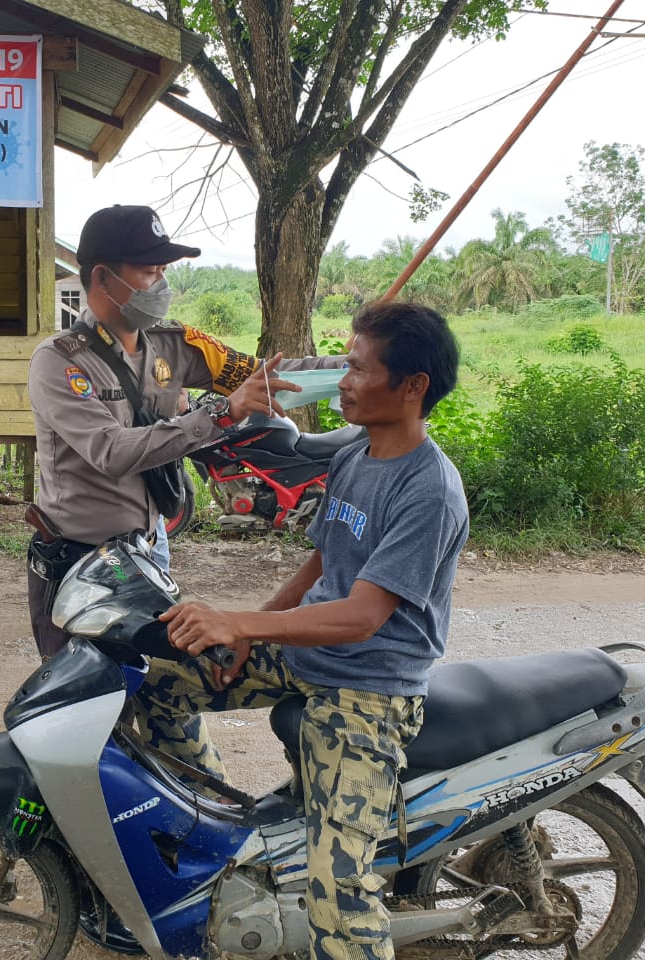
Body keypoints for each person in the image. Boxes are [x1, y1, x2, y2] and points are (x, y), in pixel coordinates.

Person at [141, 300, 468, 960]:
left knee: (340, 898)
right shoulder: (356, 452)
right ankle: (214, 836)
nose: (343, 381)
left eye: (356, 369)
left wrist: (239, 620)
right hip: (305, 656)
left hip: (368, 688)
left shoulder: (428, 488)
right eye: (343, 365)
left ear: (413, 387)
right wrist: (248, 638)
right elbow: (323, 559)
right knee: (160, 685)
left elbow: (362, 615)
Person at [26, 204, 345, 660]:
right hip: (83, 559)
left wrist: (354, 366)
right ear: (101, 278)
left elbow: (263, 375)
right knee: (88, 695)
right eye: (148, 272)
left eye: (163, 271)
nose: (161, 285)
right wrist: (219, 415)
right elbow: (111, 452)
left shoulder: (174, 344)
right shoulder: (60, 361)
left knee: (162, 688)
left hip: (149, 551)